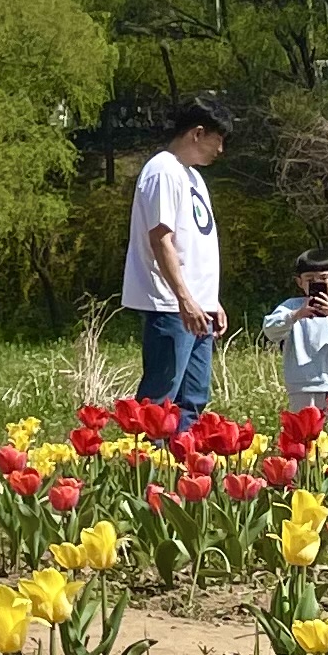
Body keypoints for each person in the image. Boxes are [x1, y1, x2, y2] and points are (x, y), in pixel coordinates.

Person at [123, 96, 232, 418]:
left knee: (193, 398)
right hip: (171, 306)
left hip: (199, 307)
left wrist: (211, 300)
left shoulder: (193, 177)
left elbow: (194, 244)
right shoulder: (163, 171)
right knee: (160, 399)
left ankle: (183, 465)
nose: (221, 150)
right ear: (197, 133)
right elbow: (161, 239)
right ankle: (146, 464)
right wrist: (184, 298)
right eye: (218, 139)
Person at [263, 248, 328, 405]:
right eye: (310, 280)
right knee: (306, 428)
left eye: (323, 278)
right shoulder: (291, 306)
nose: (317, 284)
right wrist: (295, 315)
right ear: (299, 282)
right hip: (302, 385)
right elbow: (270, 330)